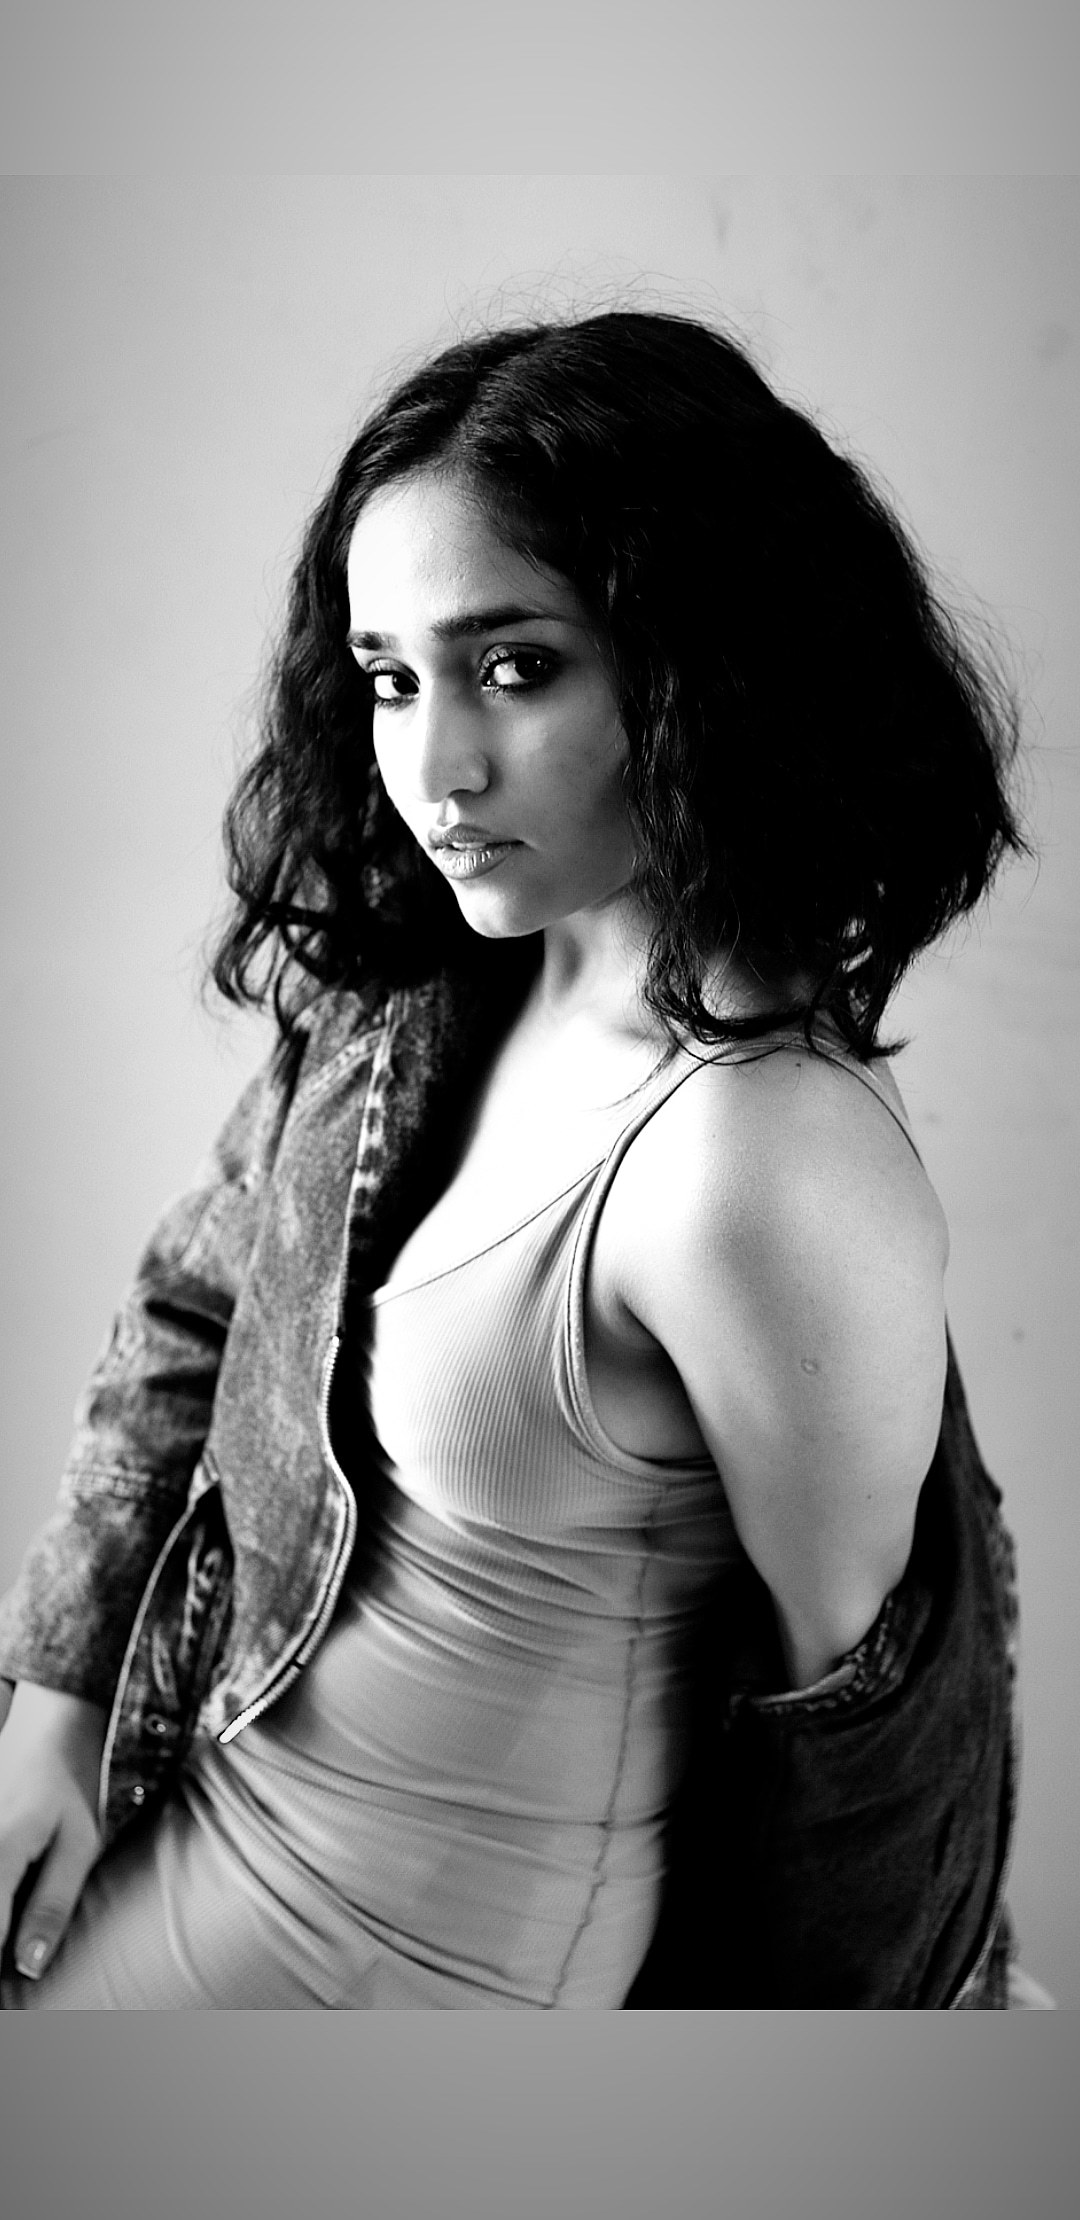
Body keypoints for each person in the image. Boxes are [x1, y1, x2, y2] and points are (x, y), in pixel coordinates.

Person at [0, 308, 1032, 2009]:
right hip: (189, 1774)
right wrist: (53, 1704)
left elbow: (861, 1745)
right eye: (391, 677)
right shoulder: (428, 969)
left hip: (416, 1965)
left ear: (707, 662)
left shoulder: (759, 1164)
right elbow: (199, 1300)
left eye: (515, 668)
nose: (435, 768)